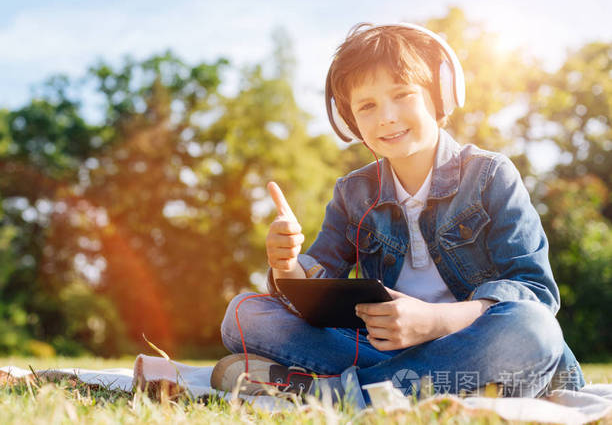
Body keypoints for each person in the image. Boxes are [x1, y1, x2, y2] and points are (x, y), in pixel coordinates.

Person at [211, 22, 586, 408]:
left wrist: (432, 321)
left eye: (402, 95)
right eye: (367, 106)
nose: (386, 117)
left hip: (478, 344)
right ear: (350, 121)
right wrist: (286, 266)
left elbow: (536, 294)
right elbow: (313, 294)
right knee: (243, 313)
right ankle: (405, 386)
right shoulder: (352, 193)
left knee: (533, 329)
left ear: (440, 96)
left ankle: (340, 392)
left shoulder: (491, 175)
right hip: (387, 351)